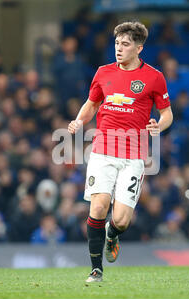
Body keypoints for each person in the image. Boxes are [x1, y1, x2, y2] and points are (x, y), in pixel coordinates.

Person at [67, 21, 173, 282]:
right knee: (98, 205)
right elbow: (91, 104)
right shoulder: (103, 72)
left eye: (125, 44)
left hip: (133, 156)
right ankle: (96, 269)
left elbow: (167, 112)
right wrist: (80, 120)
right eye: (116, 43)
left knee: (122, 220)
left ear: (139, 47)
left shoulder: (154, 77)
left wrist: (158, 125)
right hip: (103, 151)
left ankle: (112, 234)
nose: (119, 48)